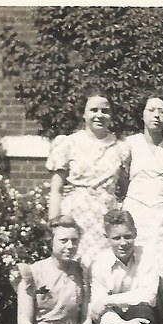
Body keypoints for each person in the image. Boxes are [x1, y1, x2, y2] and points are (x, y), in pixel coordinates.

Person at [46, 87, 129, 267]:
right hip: (74, 216)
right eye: (94, 110)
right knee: (73, 268)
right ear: (83, 114)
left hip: (105, 218)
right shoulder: (68, 143)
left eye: (105, 111)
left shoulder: (121, 148)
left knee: (102, 269)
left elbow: (124, 188)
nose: (99, 115)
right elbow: (56, 189)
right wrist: (54, 224)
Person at [86, 209, 162, 324]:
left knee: (143, 312)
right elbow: (99, 312)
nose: (123, 243)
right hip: (113, 321)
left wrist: (108, 300)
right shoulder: (100, 264)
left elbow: (148, 295)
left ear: (135, 233)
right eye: (116, 238)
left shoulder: (147, 256)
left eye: (128, 237)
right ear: (107, 238)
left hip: (141, 313)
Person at [122, 95, 163, 275]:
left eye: (162, 112)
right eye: (151, 110)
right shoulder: (130, 144)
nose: (157, 115)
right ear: (142, 115)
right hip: (136, 210)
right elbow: (121, 179)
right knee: (135, 259)